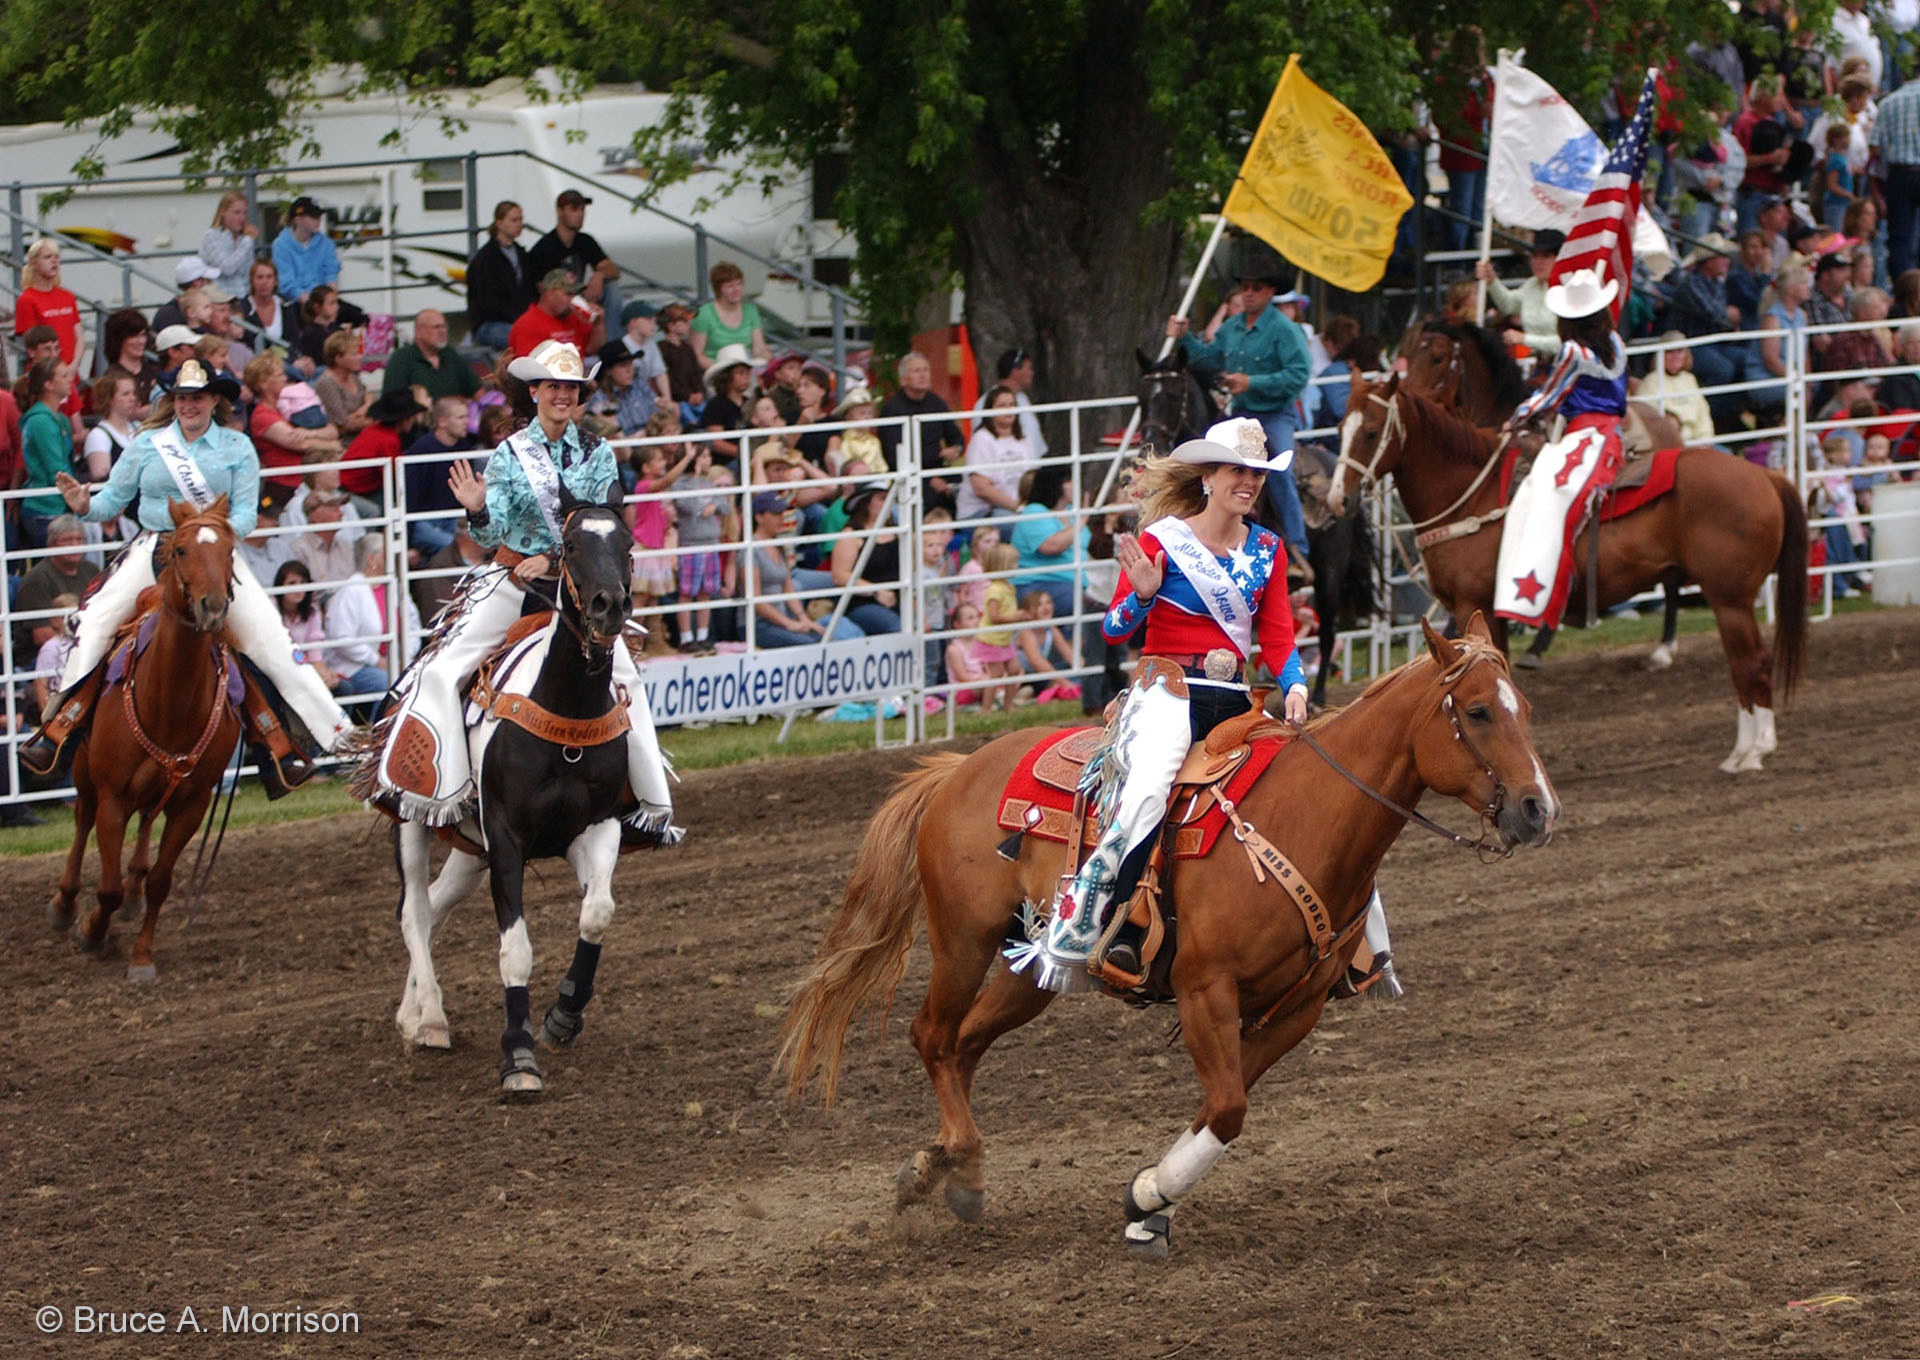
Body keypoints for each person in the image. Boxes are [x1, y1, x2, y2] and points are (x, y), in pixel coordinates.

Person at [1028, 417, 1309, 987]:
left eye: (1257, 473)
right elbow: (1112, 628)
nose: (1249, 482)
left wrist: (1297, 685)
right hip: (1166, 690)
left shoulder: (1270, 550)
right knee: (1149, 787)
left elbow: (1276, 635)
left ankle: (1360, 948)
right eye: (1238, 470)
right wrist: (1143, 595)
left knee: (1311, 786)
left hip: (1236, 696)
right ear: (1208, 477)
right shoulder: (1162, 541)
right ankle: (1106, 922)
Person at [364, 339, 676, 846]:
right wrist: (478, 509)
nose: (562, 395)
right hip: (513, 579)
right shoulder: (511, 454)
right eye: (553, 386)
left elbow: (599, 524)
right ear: (534, 390)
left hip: (578, 586)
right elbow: (492, 535)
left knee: (627, 678)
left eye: (570, 387)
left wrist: (552, 560)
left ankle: (650, 808)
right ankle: (444, 789)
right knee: (442, 669)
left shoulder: (598, 453)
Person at [19, 359, 351, 780]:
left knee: (270, 639)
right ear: (171, 401)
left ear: (214, 399)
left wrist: (206, 532)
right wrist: (84, 505)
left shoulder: (237, 447)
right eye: (180, 398)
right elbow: (111, 501)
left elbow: (247, 515)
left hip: (213, 551)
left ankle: (334, 739)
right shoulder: (147, 443)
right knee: (97, 621)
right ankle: (58, 731)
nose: (187, 405)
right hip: (155, 545)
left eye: (196, 397)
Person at [1492, 265, 1630, 635]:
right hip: (1611, 431)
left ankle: (1539, 593)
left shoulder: (1571, 351)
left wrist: (1515, 418)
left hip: (1584, 435)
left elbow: (1549, 395)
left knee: (1549, 492)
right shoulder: (1615, 342)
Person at [1165, 257, 1312, 568]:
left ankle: (1298, 548)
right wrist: (1185, 338)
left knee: (1280, 471)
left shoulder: (1285, 330)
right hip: (1241, 414)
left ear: (1270, 292)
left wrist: (1251, 382)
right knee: (1207, 463)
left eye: (1256, 288)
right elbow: (1208, 358)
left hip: (1275, 415)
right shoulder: (1231, 328)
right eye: (1245, 287)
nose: (1248, 293)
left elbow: (1299, 375)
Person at [747, 491, 863, 647]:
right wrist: (788, 623)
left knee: (823, 637)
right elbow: (755, 599)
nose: (781, 518)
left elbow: (788, 589)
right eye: (775, 514)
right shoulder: (750, 550)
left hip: (779, 621)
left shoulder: (778, 546)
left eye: (782, 513)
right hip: (760, 625)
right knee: (811, 644)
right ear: (759, 517)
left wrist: (804, 620)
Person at [10, 515, 96, 672]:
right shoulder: (37, 578)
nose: (74, 545)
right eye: (67, 540)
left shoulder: (91, 570)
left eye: (79, 539)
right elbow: (41, 635)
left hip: (85, 646)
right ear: (51, 544)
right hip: (42, 657)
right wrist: (89, 645)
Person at [1473, 230, 1566, 366]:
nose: (1538, 262)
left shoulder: (1568, 290)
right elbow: (1508, 304)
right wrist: (1491, 280)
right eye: (1534, 256)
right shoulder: (1531, 285)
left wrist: (1525, 339)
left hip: (1566, 368)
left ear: (1559, 259)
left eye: (1545, 256)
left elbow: (1568, 343)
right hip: (1538, 366)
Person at [401, 396, 477, 558]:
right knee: (460, 547)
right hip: (423, 522)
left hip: (453, 518)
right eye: (460, 417)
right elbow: (409, 499)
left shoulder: (464, 447)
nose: (466, 422)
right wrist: (406, 543)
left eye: (466, 417)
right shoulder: (419, 452)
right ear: (442, 422)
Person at [828, 481, 903, 634]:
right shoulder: (852, 535)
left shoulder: (898, 531)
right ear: (866, 503)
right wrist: (876, 592)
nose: (888, 503)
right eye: (882, 499)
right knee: (896, 627)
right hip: (863, 602)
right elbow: (840, 576)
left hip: (899, 597)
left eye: (889, 498)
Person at [957, 384, 1037, 524]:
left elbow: (1032, 477)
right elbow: (981, 489)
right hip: (982, 511)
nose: (1008, 409)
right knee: (1026, 525)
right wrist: (1017, 507)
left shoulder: (1023, 438)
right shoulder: (981, 439)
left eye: (1012, 405)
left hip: (1019, 508)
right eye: (1002, 405)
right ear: (990, 410)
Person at [671, 444, 725, 652]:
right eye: (704, 456)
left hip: (710, 544)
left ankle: (703, 636)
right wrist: (706, 506)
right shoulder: (681, 484)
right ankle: (686, 638)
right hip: (691, 544)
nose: (708, 459)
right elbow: (688, 506)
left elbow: (724, 504)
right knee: (686, 593)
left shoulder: (707, 482)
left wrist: (715, 506)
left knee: (705, 592)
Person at [526, 189, 619, 308]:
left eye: (582, 209)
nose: (580, 214)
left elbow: (612, 269)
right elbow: (542, 290)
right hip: (558, 304)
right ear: (559, 211)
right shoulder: (544, 248)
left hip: (579, 298)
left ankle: (610, 327)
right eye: (574, 209)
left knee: (611, 286)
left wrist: (599, 276)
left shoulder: (585, 241)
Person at [17, 359, 74, 549]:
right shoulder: (41, 421)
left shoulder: (58, 419)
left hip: (55, 505)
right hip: (45, 507)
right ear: (48, 385)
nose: (70, 380)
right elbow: (56, 469)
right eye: (64, 376)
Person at [465, 201, 536, 350]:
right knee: (527, 338)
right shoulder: (485, 259)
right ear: (499, 223)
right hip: (490, 323)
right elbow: (488, 302)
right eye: (513, 220)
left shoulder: (521, 254)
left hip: (517, 319)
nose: (519, 224)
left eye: (520, 219)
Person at [876, 351, 962, 473]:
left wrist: (955, 449)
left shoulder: (936, 402)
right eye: (916, 371)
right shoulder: (891, 409)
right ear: (903, 380)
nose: (923, 375)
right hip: (908, 475)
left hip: (938, 470)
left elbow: (955, 436)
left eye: (926, 370)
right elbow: (891, 454)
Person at [1634, 335, 1717, 447]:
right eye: (1670, 351)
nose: (1675, 356)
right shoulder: (1651, 381)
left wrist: (1705, 440)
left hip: (1697, 443)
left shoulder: (1689, 379)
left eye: (1680, 351)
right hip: (1670, 446)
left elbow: (1703, 415)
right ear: (1661, 355)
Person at [382, 310, 480, 403]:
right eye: (436, 327)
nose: (442, 331)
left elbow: (476, 390)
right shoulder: (401, 359)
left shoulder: (450, 354)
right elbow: (391, 401)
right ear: (419, 331)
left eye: (444, 327)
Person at [12, 238, 81, 365]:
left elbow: (79, 338)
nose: (54, 261)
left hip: (70, 373)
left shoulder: (67, 296)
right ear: (33, 262)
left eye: (57, 257)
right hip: (44, 374)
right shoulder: (26, 299)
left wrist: (74, 365)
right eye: (47, 257)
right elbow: (32, 344)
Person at [688, 261, 768, 367]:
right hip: (713, 371)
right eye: (729, 286)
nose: (736, 290)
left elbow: (759, 348)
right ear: (719, 290)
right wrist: (722, 371)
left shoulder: (750, 311)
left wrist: (764, 359)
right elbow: (696, 354)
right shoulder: (704, 314)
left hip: (744, 368)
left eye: (739, 284)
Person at [508, 269, 600, 359]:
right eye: (568, 294)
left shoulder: (574, 318)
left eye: (575, 294)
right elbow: (527, 369)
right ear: (549, 294)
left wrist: (598, 323)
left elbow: (592, 350)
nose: (572, 299)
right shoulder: (527, 324)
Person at [973, 347, 1047, 454]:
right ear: (1015, 371)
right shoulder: (985, 402)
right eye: (1029, 368)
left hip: (1032, 465)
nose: (1032, 373)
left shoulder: (1023, 398)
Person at [271, 196, 341, 306]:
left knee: (359, 316)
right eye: (313, 216)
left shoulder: (326, 244)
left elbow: (330, 274)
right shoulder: (280, 245)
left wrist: (328, 301)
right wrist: (312, 304)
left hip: (323, 303)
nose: (318, 220)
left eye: (319, 216)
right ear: (298, 220)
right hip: (295, 304)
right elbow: (287, 285)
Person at [82, 368, 142, 480]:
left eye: (133, 393)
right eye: (125, 394)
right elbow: (101, 477)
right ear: (109, 399)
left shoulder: (139, 427)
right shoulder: (98, 435)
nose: (132, 398)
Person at [312, 329, 374, 436]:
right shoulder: (326, 383)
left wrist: (363, 410)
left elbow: (370, 398)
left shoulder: (354, 377)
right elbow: (344, 424)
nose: (360, 357)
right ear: (338, 358)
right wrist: (368, 408)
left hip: (364, 435)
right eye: (354, 354)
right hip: (344, 442)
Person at [236, 259, 299, 363]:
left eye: (269, 277)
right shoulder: (243, 308)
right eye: (260, 277)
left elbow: (294, 342)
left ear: (275, 281)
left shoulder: (285, 306)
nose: (264, 282)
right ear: (252, 281)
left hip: (286, 361)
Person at [200, 191, 260, 299]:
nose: (242, 218)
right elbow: (227, 268)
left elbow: (248, 272)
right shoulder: (211, 236)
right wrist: (247, 241)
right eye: (236, 213)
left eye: (244, 213)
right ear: (222, 212)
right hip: (219, 298)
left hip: (243, 296)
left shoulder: (243, 239)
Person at [654, 302, 706, 408]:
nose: (688, 325)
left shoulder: (687, 348)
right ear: (671, 326)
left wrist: (699, 392)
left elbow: (696, 373)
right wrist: (687, 396)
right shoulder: (661, 349)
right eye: (684, 322)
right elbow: (669, 379)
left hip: (695, 399)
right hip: (678, 403)